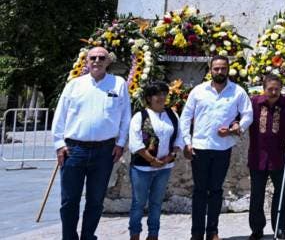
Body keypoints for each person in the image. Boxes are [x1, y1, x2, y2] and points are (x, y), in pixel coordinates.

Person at [52, 45, 131, 240]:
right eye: (93, 58)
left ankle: (88, 236)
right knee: (69, 200)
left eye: (101, 58)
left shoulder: (118, 84)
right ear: (87, 61)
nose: (97, 61)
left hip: (104, 151)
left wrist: (121, 143)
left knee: (96, 200)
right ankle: (69, 237)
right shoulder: (74, 85)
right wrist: (59, 144)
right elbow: (60, 115)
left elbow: (125, 116)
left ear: (108, 62)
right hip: (74, 150)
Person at [180, 55, 253, 240]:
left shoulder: (237, 92)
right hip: (200, 147)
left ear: (228, 69)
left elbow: (248, 115)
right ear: (210, 69)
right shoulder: (198, 91)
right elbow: (186, 117)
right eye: (216, 68)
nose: (219, 71)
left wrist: (236, 128)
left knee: (216, 190)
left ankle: (212, 231)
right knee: (199, 191)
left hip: (223, 148)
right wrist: (186, 143)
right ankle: (196, 233)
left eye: (223, 68)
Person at [248, 73, 285, 240]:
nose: (273, 92)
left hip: (280, 156)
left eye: (277, 89)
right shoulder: (254, 103)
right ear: (263, 89)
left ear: (281, 89)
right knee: (256, 195)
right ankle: (257, 229)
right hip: (257, 157)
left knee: (281, 194)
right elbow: (241, 119)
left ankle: (279, 228)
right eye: (270, 89)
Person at [128, 80, 184, 240]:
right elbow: (135, 142)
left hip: (164, 168)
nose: (160, 97)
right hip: (142, 168)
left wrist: (170, 156)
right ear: (148, 98)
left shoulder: (172, 115)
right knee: (138, 204)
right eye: (156, 94)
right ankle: (135, 234)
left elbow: (180, 137)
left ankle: (153, 234)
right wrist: (151, 160)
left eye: (163, 94)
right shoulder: (140, 116)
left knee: (156, 203)